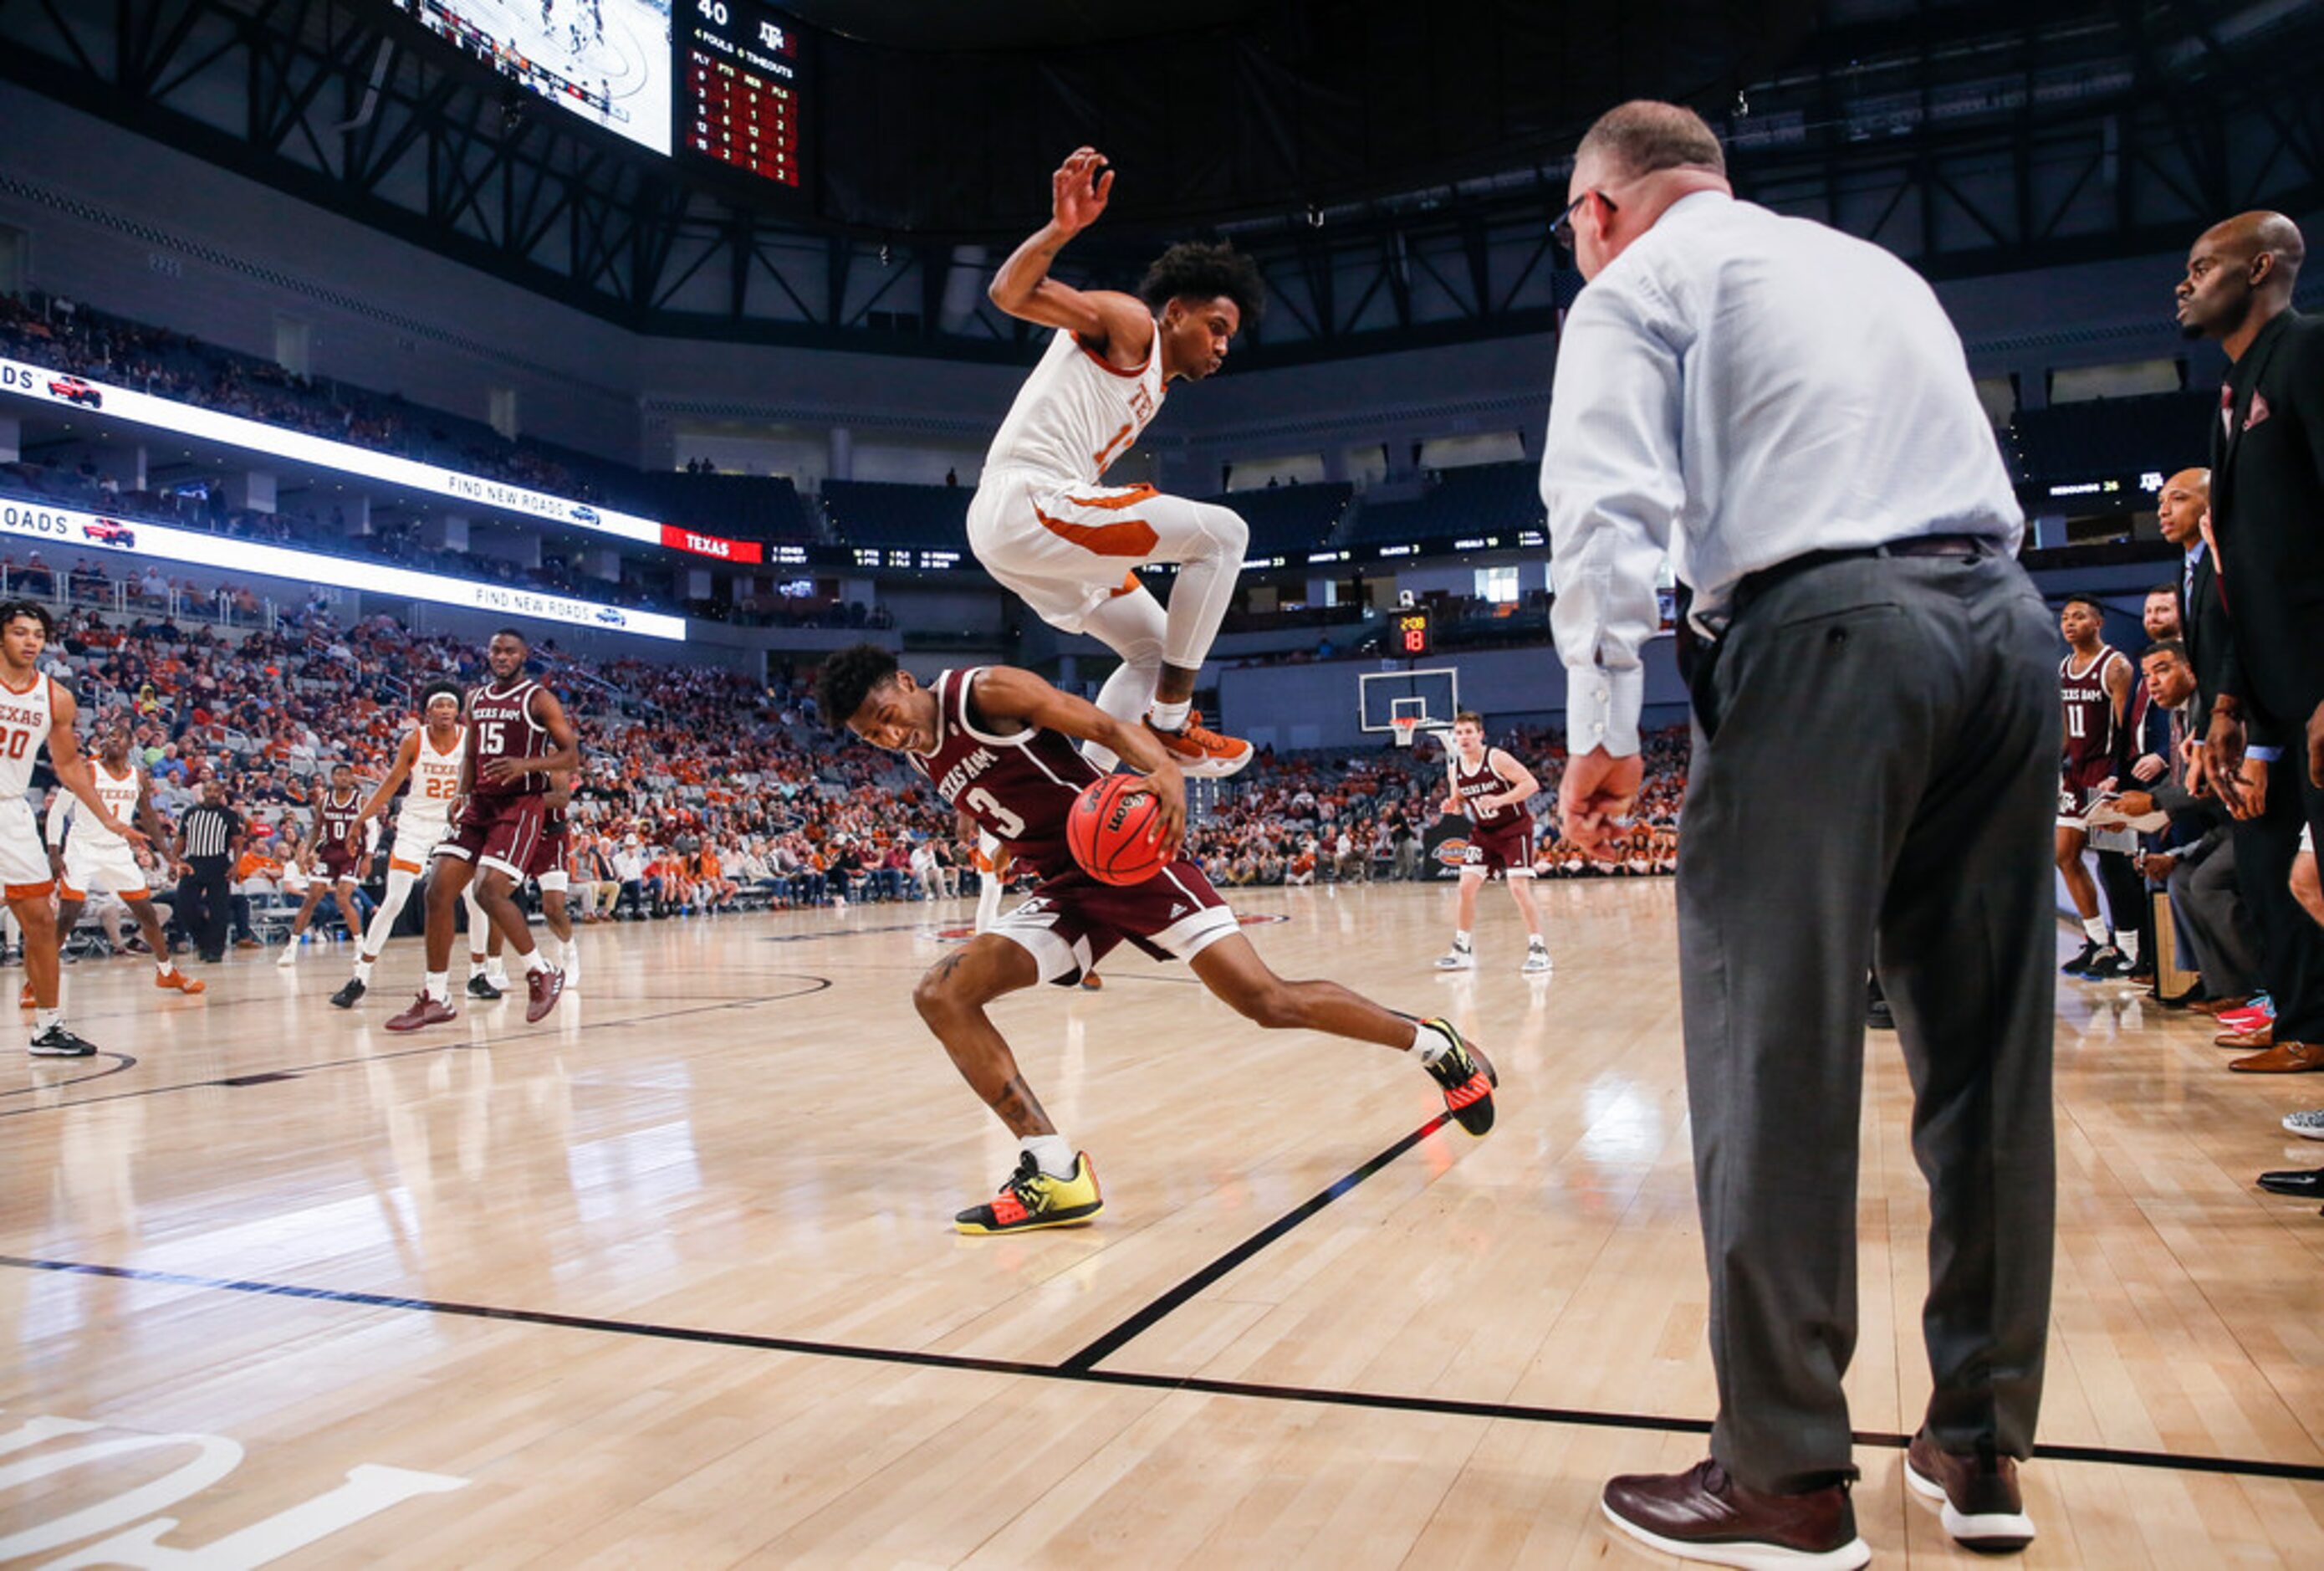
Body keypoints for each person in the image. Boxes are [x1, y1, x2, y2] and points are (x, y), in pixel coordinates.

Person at [1542, 102, 2051, 1565]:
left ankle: (1778, 1471)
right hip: (2001, 630)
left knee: (1771, 1041)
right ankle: (1975, 1441)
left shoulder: (1636, 287)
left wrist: (1597, 722)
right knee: (1987, 1056)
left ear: (1596, 211)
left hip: (1825, 634)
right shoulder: (1867, 267)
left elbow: (1603, 508)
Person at [817, 643, 1497, 1234]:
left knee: (1266, 1002)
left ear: (905, 684)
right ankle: (1053, 1172)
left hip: (1133, 856)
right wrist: (977, 822)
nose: (886, 735)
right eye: (869, 735)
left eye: (886, 717)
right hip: (1064, 884)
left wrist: (1164, 772)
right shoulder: (918, 752)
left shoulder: (984, 691)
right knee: (942, 993)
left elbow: (1107, 726)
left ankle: (1437, 1045)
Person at [975, 146, 1262, 779]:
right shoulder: (1133, 326)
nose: (1220, 347)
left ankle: (1083, 794)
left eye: (1228, 339)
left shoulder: (1154, 383)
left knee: (1155, 650)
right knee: (1223, 536)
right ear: (1176, 312)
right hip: (1028, 503)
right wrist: (1060, 231)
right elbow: (1009, 292)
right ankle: (1171, 725)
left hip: (1026, 531)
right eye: (1215, 327)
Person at [386, 629, 578, 1030]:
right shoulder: (475, 698)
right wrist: (461, 792)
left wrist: (525, 766)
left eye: (510, 650)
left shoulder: (538, 699)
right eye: (495, 650)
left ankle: (540, 971)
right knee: (436, 889)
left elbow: (570, 754)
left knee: (488, 891)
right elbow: (471, 752)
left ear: (525, 654)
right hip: (480, 804)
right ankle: (436, 997)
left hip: (519, 806)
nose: (502, 656)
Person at [0, 602, 154, 1057]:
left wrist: (107, 818)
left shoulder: (55, 697)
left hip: (10, 811)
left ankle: (48, 1027)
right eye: (19, 632)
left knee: (41, 921)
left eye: (38, 634)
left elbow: (68, 765)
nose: (30, 641)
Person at [331, 681, 473, 1009]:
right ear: (427, 711)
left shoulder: (468, 740)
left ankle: (482, 972)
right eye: (438, 705)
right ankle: (360, 977)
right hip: (415, 825)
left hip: (452, 826)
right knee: (394, 900)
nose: (445, 711)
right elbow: (391, 782)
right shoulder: (415, 739)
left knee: (473, 897)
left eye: (450, 706)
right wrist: (359, 820)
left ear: (457, 711)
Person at [41, 719, 204, 999]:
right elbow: (58, 811)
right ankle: (38, 980)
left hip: (118, 850)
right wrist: (54, 851)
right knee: (68, 914)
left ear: (131, 744)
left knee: (147, 914)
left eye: (118, 737)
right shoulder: (88, 769)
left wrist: (169, 857)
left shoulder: (138, 776)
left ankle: (167, 973)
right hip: (83, 848)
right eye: (107, 737)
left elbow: (149, 819)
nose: (110, 740)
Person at [2054, 595, 2138, 979]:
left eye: (2079, 617)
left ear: (2098, 622)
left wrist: (2121, 774)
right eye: (2066, 617)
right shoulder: (2064, 667)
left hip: (2106, 771)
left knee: (2113, 863)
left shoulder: (2115, 665)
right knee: (2064, 854)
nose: (2070, 623)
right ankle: (2097, 940)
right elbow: (2066, 729)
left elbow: (2127, 725)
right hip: (2075, 772)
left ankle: (2131, 951)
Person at [1432, 713, 1550, 974]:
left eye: (1468, 732)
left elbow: (1531, 784)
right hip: (1484, 833)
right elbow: (1460, 801)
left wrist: (1499, 800)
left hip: (1514, 829)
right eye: (1459, 733)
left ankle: (1538, 949)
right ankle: (1462, 949)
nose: (1463, 738)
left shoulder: (1496, 758)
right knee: (1465, 887)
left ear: (1480, 735)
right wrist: (1452, 806)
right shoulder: (1455, 769)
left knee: (1518, 888)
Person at [275, 760, 368, 966]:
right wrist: (307, 850)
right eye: (339, 774)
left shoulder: (360, 801)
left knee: (343, 898)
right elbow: (317, 828)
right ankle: (291, 948)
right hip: (329, 852)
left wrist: (368, 857)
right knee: (311, 899)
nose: (343, 778)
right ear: (332, 778)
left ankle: (361, 947)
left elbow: (372, 829)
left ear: (352, 778)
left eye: (347, 774)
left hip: (351, 854)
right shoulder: (324, 801)